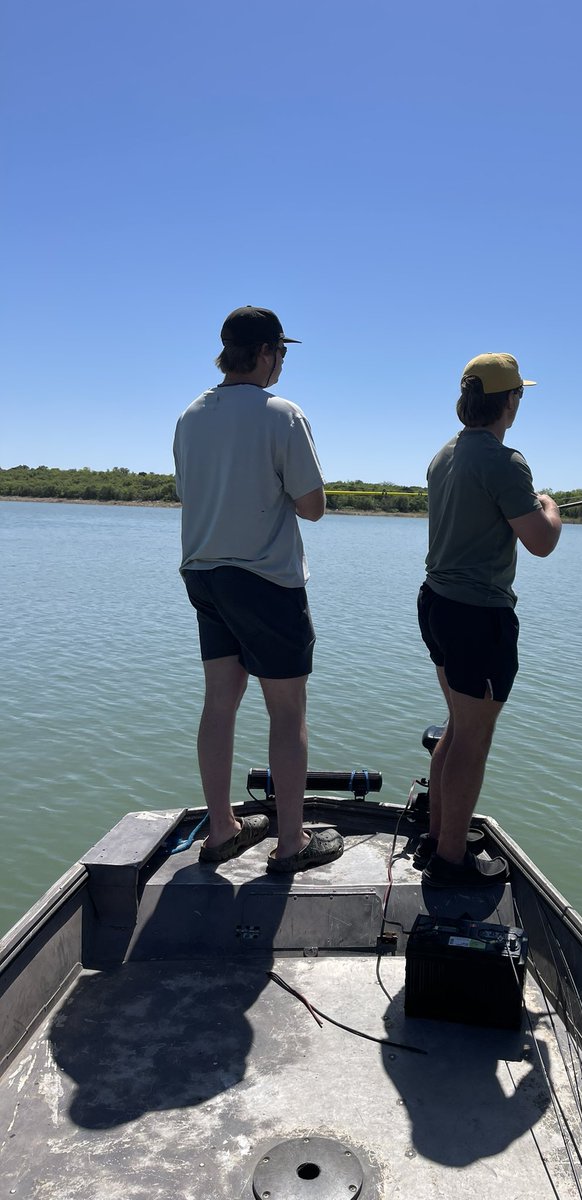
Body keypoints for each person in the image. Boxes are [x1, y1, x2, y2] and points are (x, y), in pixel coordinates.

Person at [173, 305, 343, 874]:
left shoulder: (191, 414)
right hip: (266, 582)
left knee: (219, 703)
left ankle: (222, 831)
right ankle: (291, 844)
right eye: (282, 354)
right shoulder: (281, 414)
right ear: (266, 353)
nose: (282, 366)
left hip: (204, 576)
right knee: (287, 712)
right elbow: (313, 509)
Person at [416, 352, 562, 888]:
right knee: (472, 739)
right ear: (508, 401)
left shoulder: (444, 454)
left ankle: (437, 835)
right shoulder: (506, 461)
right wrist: (551, 507)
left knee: (458, 726)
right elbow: (541, 541)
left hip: (436, 604)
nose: (519, 402)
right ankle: (451, 860)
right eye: (518, 394)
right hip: (478, 617)